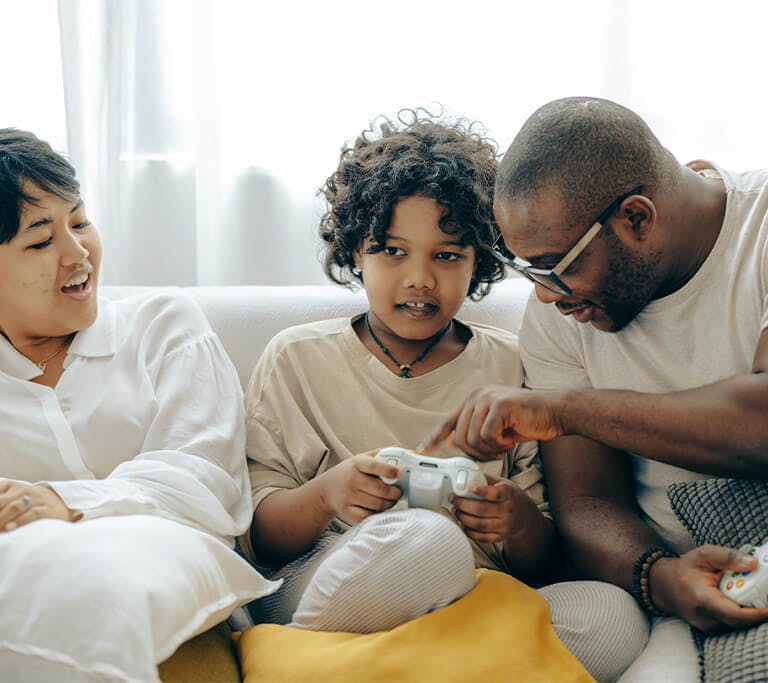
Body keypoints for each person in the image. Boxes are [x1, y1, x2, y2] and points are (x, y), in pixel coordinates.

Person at [243, 109, 648, 682]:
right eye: (391, 251)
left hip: (476, 601)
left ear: (480, 261)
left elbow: (546, 560)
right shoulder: (297, 358)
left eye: (448, 255)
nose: (419, 278)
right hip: (331, 583)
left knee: (614, 617)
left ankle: (348, 670)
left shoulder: (512, 365)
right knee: (428, 544)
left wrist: (517, 521)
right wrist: (329, 494)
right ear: (354, 252)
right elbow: (259, 538)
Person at [421, 96, 768, 663]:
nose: (543, 294)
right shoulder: (560, 319)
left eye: (557, 265)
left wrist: (566, 409)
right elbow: (586, 499)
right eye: (528, 270)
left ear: (636, 217)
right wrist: (661, 578)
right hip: (695, 584)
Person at [0, 129, 278, 683]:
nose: (78, 253)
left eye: (79, 222)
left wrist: (62, 501)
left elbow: (202, 484)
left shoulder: (162, 326)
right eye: (40, 241)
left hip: (177, 595)